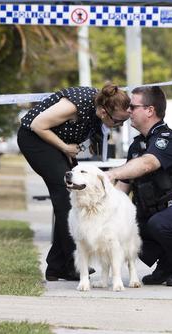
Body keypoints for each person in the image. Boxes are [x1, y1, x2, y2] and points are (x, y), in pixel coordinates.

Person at [18, 84, 130, 281]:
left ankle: (56, 266)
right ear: (104, 111)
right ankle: (71, 265)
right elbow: (37, 125)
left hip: (56, 143)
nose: (120, 125)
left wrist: (66, 149)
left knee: (71, 197)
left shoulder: (99, 107)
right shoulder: (75, 105)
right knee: (66, 199)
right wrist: (65, 148)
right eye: (119, 121)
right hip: (34, 139)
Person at [105, 86, 172, 287]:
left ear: (150, 110)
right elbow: (122, 188)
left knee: (159, 224)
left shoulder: (167, 141)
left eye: (132, 107)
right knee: (125, 226)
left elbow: (147, 164)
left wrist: (112, 173)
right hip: (160, 212)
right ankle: (168, 263)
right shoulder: (137, 146)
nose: (128, 111)